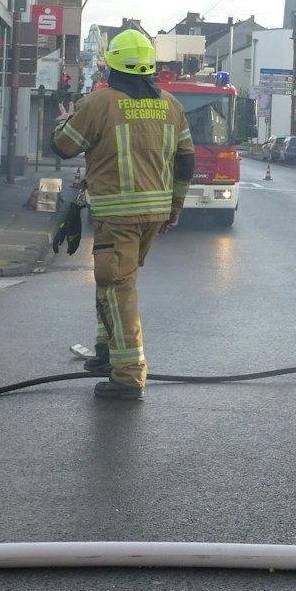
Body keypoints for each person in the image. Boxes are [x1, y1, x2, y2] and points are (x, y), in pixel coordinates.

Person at [53, 29, 194, 401]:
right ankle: (106, 354)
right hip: (155, 214)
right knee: (111, 283)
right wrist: (175, 208)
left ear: (112, 64)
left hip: (117, 217)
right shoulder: (171, 105)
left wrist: (65, 120)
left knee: (118, 287)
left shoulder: (100, 104)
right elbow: (186, 162)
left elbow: (64, 147)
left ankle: (129, 375)